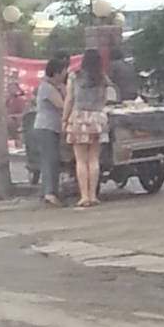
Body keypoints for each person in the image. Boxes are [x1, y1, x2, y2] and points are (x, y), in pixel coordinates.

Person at [64, 48, 109, 208]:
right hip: (97, 118)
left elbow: (69, 99)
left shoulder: (74, 76)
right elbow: (104, 99)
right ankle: (93, 195)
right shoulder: (103, 78)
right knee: (94, 159)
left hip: (79, 117)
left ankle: (84, 196)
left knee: (81, 160)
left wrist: (64, 119)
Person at [34, 55, 69, 207]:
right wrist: (66, 91)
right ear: (56, 73)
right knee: (50, 160)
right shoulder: (47, 88)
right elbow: (62, 105)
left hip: (52, 127)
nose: (65, 76)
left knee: (52, 160)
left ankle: (48, 191)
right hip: (46, 127)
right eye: (63, 73)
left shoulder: (53, 87)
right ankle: (50, 193)